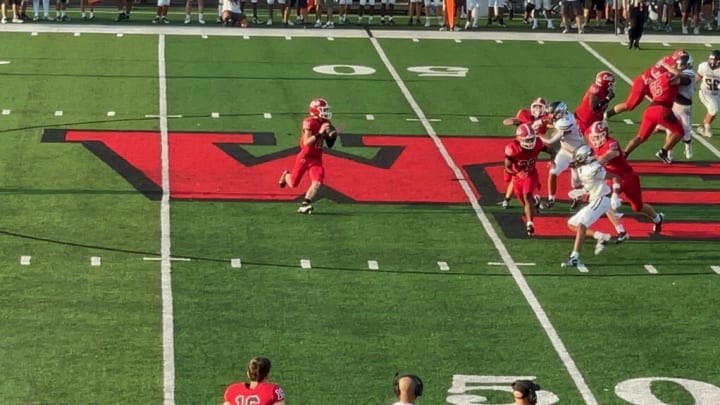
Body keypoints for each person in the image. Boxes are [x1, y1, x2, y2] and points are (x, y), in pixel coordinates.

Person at [588, 120, 665, 236]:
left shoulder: (612, 143)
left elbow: (612, 154)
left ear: (604, 135)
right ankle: (621, 231)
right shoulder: (594, 144)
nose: (594, 140)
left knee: (637, 207)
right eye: (593, 137)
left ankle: (657, 218)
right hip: (613, 178)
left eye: (597, 137)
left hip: (628, 178)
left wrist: (598, 161)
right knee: (605, 201)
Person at [623, 60, 692, 164]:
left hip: (650, 110)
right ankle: (663, 152)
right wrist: (667, 66)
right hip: (661, 109)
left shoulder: (654, 82)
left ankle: (625, 153)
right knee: (679, 132)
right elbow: (682, 78)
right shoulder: (667, 77)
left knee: (640, 137)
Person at [279, 98, 338, 214]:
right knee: (293, 183)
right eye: (323, 109)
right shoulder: (309, 122)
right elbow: (306, 142)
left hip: (317, 159)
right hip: (305, 157)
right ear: (316, 110)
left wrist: (332, 136)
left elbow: (330, 144)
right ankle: (286, 175)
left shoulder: (326, 122)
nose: (325, 112)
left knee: (317, 182)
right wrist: (320, 133)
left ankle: (305, 204)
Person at [561, 145, 617, 268]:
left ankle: (574, 257)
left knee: (581, 225)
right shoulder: (585, 167)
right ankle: (600, 236)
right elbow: (591, 182)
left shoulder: (593, 168)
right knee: (572, 224)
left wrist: (615, 195)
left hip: (603, 198)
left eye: (579, 158)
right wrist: (583, 191)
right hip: (595, 197)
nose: (577, 160)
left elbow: (614, 176)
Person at [504, 123, 557, 236]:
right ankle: (536, 201)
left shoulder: (537, 144)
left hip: (531, 174)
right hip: (518, 177)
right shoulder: (512, 149)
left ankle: (530, 224)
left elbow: (552, 151)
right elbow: (507, 168)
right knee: (525, 203)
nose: (530, 142)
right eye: (527, 140)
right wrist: (517, 172)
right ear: (519, 138)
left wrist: (552, 160)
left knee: (527, 195)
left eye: (531, 139)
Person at [499, 97, 548, 208]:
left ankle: (535, 199)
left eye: (540, 107)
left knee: (530, 173)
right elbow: (506, 121)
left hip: (534, 146)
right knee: (513, 175)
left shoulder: (545, 119)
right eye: (535, 106)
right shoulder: (524, 115)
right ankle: (507, 198)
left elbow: (552, 125)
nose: (537, 109)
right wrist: (516, 122)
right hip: (520, 147)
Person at [540, 101, 586, 210]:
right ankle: (551, 200)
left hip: (577, 154)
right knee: (553, 172)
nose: (550, 115)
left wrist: (538, 133)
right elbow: (554, 124)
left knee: (576, 182)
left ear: (559, 113)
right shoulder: (563, 117)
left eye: (552, 113)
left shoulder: (566, 122)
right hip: (565, 151)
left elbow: (550, 140)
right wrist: (543, 122)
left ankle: (578, 199)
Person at [667, 51, 696, 160]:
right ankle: (668, 151)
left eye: (681, 65)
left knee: (686, 130)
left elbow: (683, 80)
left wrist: (669, 72)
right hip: (672, 104)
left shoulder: (689, 73)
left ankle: (687, 145)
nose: (679, 66)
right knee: (670, 129)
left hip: (684, 105)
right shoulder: (678, 71)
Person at [574, 70, 616, 136]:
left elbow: (599, 110)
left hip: (591, 123)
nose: (611, 86)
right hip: (582, 122)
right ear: (604, 83)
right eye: (610, 84)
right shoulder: (596, 89)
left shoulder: (604, 92)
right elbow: (594, 107)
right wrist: (607, 98)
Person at [696, 49, 720, 138]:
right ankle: (706, 129)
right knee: (714, 109)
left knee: (713, 112)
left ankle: (701, 127)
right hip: (705, 92)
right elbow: (699, 76)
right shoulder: (704, 66)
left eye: (715, 59)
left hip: (716, 93)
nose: (712, 61)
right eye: (711, 59)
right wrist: (692, 84)